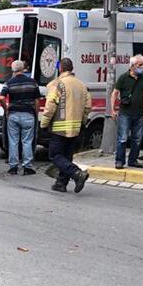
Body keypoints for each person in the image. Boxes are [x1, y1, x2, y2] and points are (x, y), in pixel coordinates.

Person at [40, 58, 91, 193]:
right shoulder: (81, 85)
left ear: (60, 69)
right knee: (67, 156)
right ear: (72, 68)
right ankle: (61, 183)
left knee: (55, 155)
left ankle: (77, 173)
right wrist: (82, 123)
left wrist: (44, 124)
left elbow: (50, 106)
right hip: (76, 128)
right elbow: (87, 107)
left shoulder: (58, 84)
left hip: (59, 127)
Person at [111, 55, 143, 169]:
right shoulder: (123, 77)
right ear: (132, 66)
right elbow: (114, 93)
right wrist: (113, 110)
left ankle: (133, 160)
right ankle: (119, 161)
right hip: (125, 113)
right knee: (122, 138)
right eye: (139, 65)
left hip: (139, 113)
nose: (142, 67)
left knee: (137, 139)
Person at [1, 59, 39, 175]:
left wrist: (6, 109)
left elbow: (2, 98)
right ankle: (27, 167)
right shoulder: (32, 82)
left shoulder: (9, 83)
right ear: (23, 69)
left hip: (13, 115)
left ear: (13, 70)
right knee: (27, 141)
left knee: (13, 141)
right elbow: (37, 100)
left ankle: (13, 167)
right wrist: (35, 113)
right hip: (28, 114)